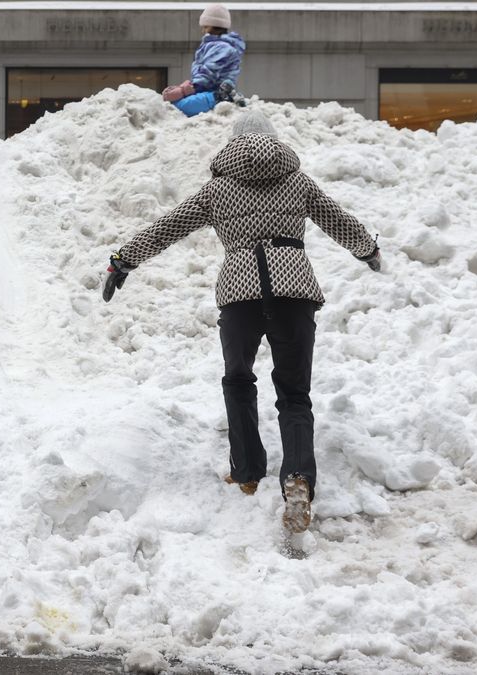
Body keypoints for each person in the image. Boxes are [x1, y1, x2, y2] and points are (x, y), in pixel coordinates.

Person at [101, 111, 382, 533]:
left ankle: (248, 471)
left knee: (238, 380)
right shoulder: (298, 182)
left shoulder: (217, 190)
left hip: (239, 296)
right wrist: (368, 251)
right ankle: (299, 478)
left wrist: (125, 260)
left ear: (232, 145)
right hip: (294, 293)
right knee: (293, 393)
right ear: (275, 142)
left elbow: (168, 227)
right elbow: (338, 220)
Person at [162, 4, 247, 117]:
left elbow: (208, 74)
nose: (203, 30)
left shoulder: (221, 47)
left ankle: (222, 97)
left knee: (180, 107)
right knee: (177, 104)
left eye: (205, 26)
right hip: (206, 89)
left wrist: (185, 90)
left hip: (214, 91)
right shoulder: (214, 45)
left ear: (213, 26)